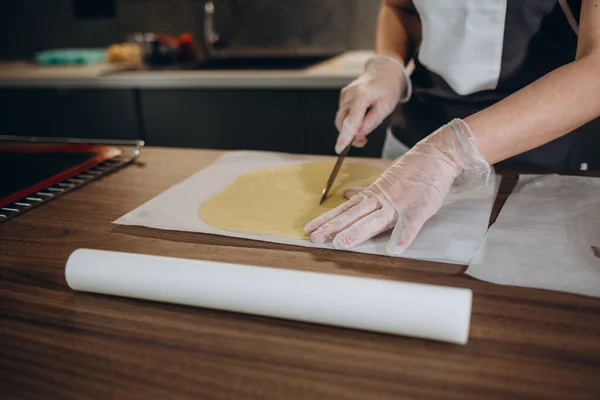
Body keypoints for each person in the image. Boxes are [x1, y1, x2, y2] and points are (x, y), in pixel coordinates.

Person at [305, 0, 600, 255]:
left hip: (541, 163)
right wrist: (388, 64)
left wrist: (450, 152)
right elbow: (399, 7)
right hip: (413, 153)